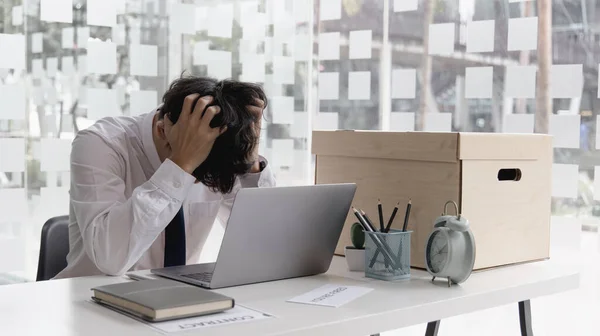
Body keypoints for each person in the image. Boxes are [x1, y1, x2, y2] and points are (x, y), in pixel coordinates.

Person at [55, 76, 276, 279]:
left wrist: (249, 165)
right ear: (163, 131)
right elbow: (110, 259)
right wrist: (181, 164)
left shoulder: (217, 140)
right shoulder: (101, 143)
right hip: (92, 302)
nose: (196, 183)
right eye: (196, 175)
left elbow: (262, 246)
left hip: (177, 302)